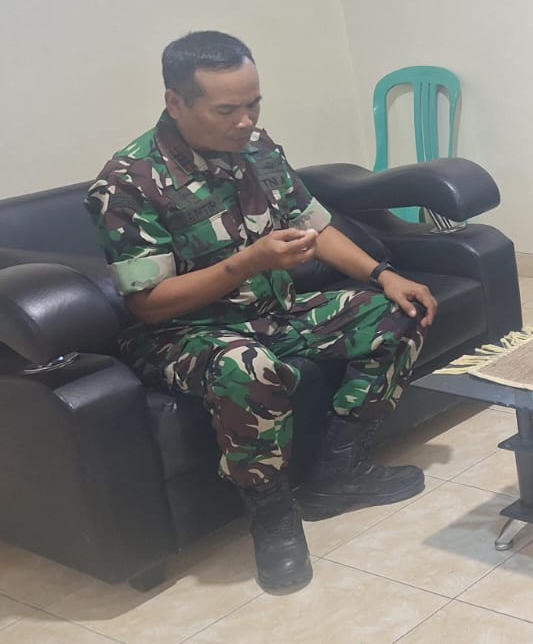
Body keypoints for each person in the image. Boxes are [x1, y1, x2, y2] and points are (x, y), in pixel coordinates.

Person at [84, 31, 438, 594]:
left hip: (276, 312)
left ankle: (339, 472)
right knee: (245, 366)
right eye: (227, 110)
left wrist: (384, 275)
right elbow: (148, 305)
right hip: (186, 335)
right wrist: (246, 263)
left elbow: (315, 226)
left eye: (254, 104)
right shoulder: (129, 182)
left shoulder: (258, 148)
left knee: (402, 313)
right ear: (176, 102)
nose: (245, 121)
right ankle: (273, 519)